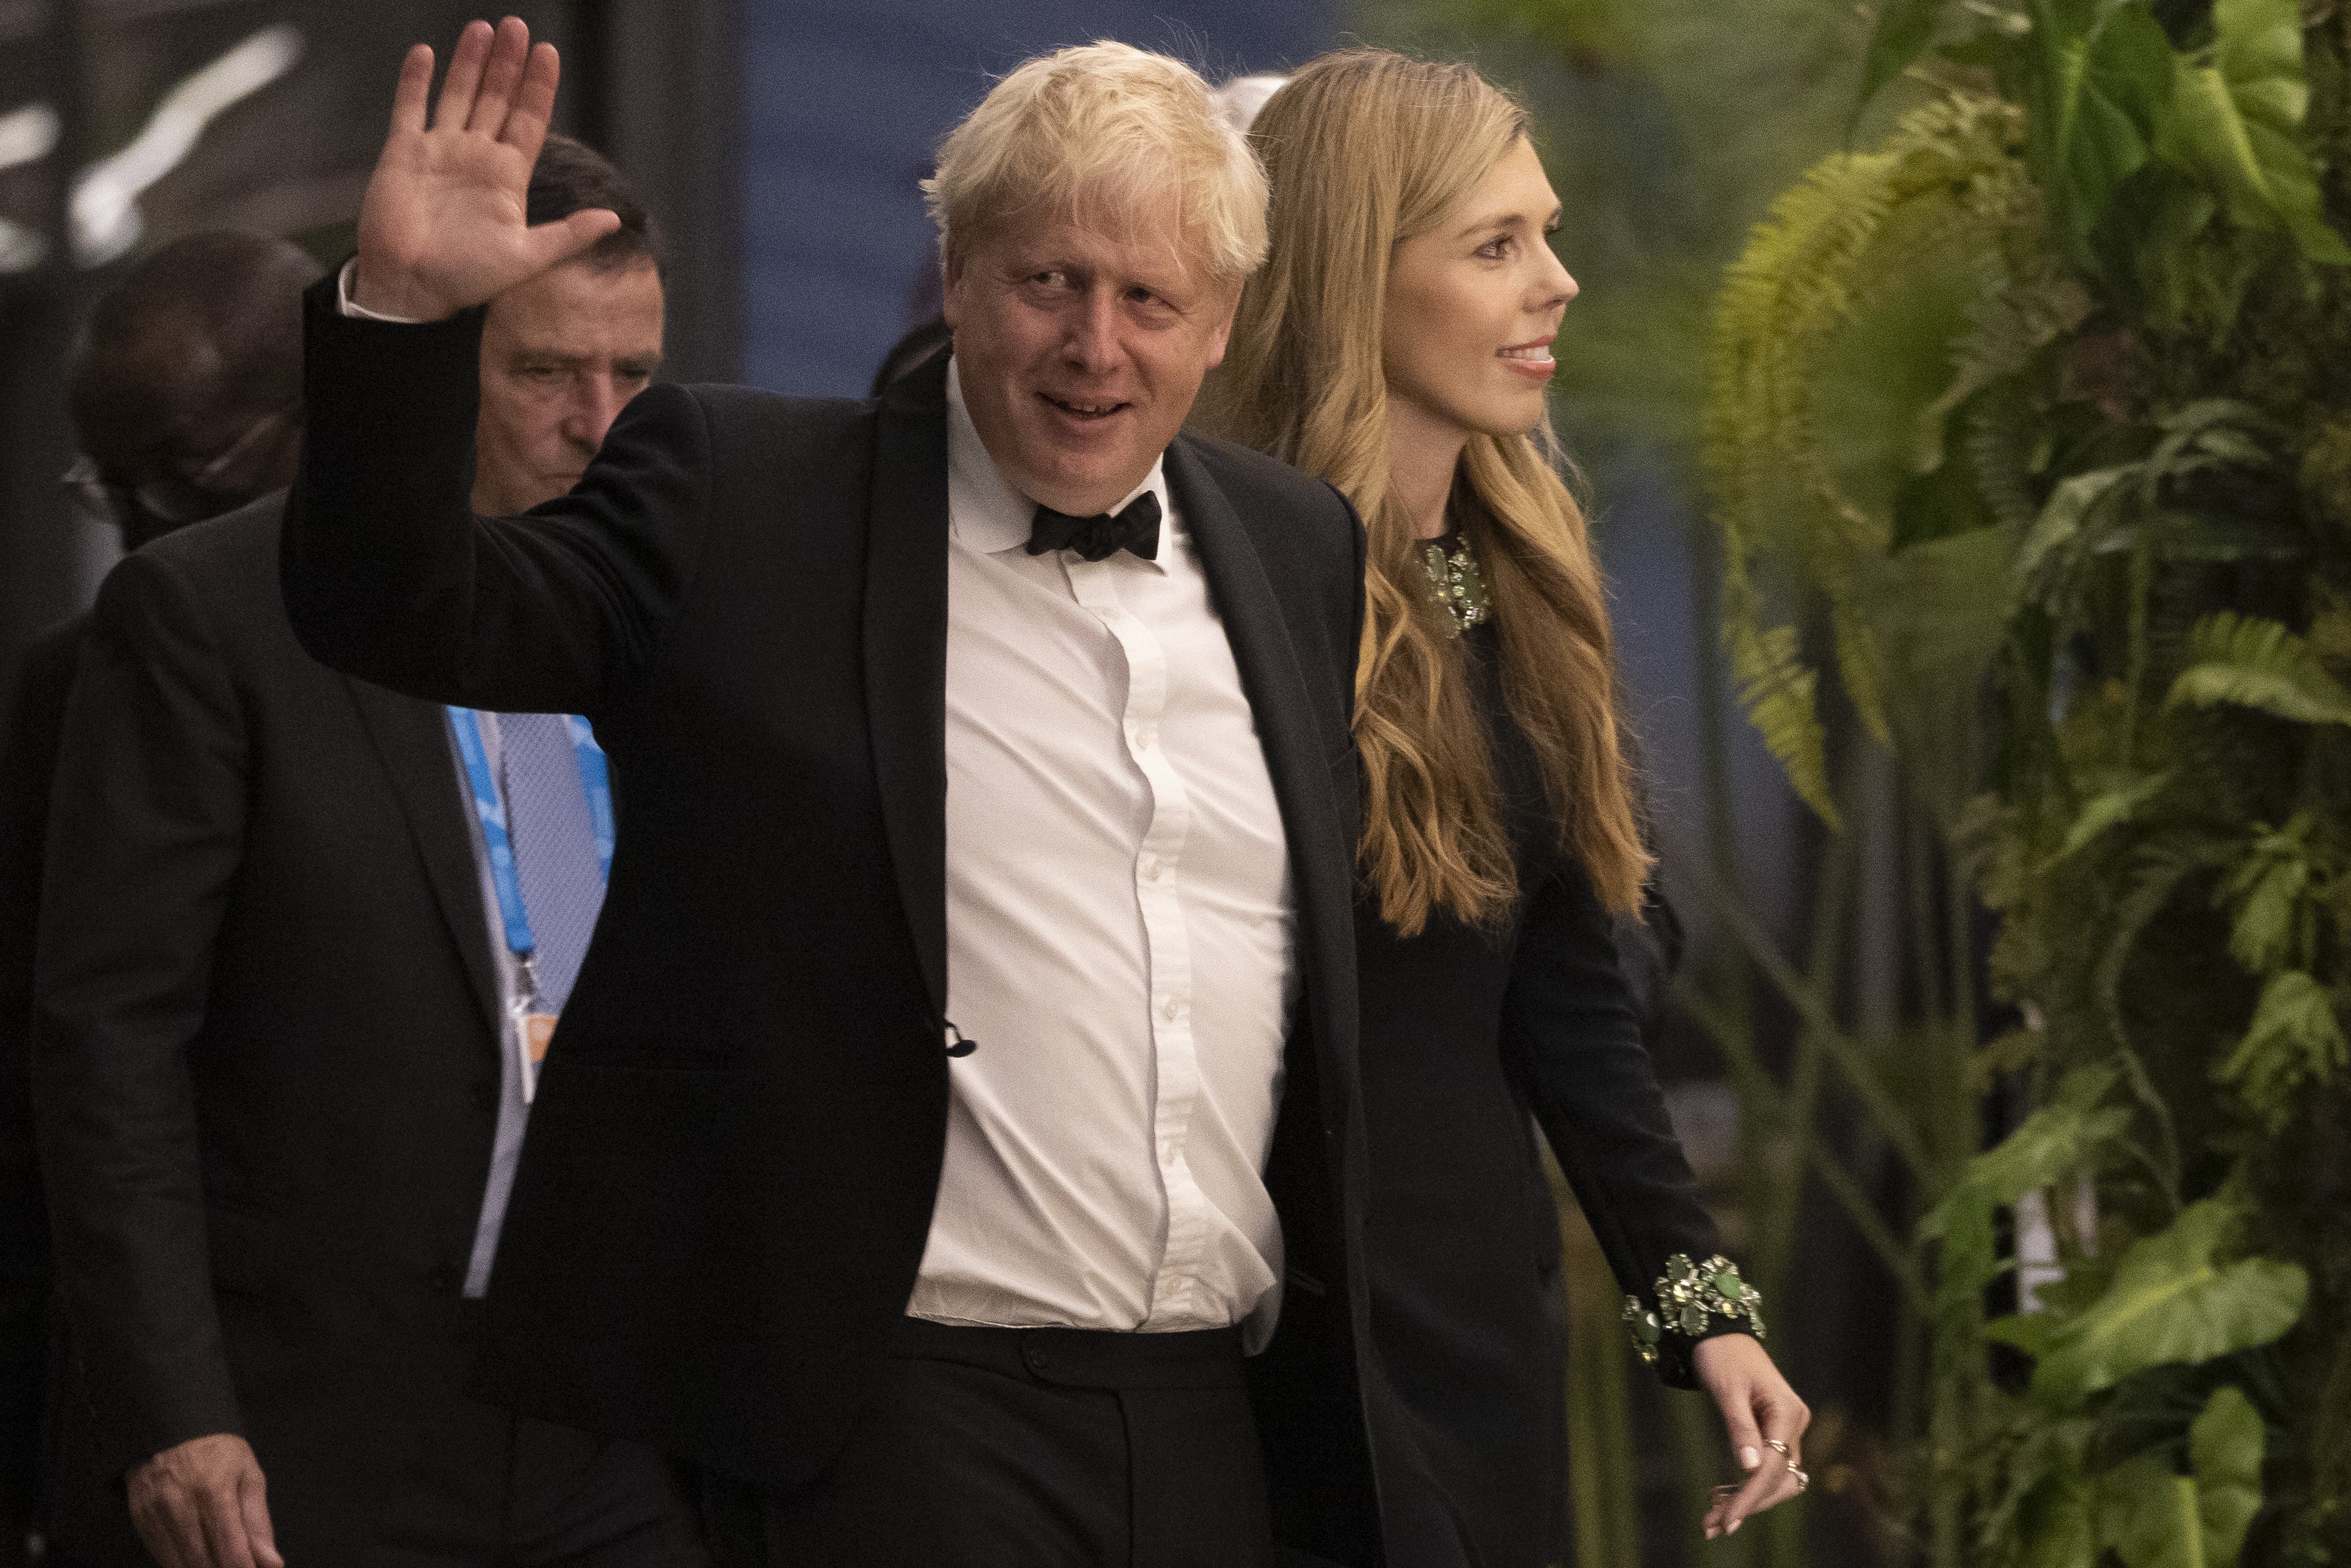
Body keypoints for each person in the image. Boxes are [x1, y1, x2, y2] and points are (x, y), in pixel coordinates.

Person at [282, 22, 1385, 1567]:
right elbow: (400, 609)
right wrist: (401, 318)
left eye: (1150, 299)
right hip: (893, 1406)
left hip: (1215, 1406)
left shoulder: (1295, 542)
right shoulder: (744, 492)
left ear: (1220, 325)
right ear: (954, 272)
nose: (1094, 345)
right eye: (1047, 282)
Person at [34, 137, 705, 1568]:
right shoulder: (213, 614)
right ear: (433, 361)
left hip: (612, 1417)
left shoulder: (686, 610)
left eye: (632, 376)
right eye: (544, 374)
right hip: (305, 1435)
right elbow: (111, 1039)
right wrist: (173, 1411)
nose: (601, 421)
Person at [1198, 48, 1811, 1565]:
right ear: (1353, 276)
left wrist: (1701, 1310)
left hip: (1476, 1326)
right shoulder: (1208, 585)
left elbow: (1573, 991)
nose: (1559, 282)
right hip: (1254, 1334)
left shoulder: (1509, 580)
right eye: (1495, 247)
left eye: (1543, 234)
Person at [0, 230, 323, 1567]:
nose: (139, 537)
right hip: (172, 1417)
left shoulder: (497, 649)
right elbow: (54, 1101)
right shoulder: (67, 694)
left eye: (187, 481)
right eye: (108, 488)